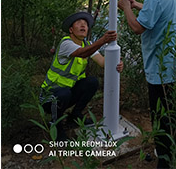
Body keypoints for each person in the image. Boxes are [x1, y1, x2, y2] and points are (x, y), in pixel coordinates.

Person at [118, 0, 176, 169]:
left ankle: (164, 162)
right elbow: (157, 14)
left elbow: (138, 28)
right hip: (175, 65)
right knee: (173, 113)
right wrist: (138, 4)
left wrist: (126, 7)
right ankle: (175, 152)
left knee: (161, 117)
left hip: (160, 68)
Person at [39, 12, 123, 140]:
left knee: (92, 82)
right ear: (71, 30)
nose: (83, 25)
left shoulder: (87, 45)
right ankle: (56, 124)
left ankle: (75, 116)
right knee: (64, 93)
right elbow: (82, 53)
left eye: (85, 24)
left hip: (67, 93)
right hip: (49, 97)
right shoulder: (66, 43)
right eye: (78, 23)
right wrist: (103, 41)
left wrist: (117, 62)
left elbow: (102, 62)